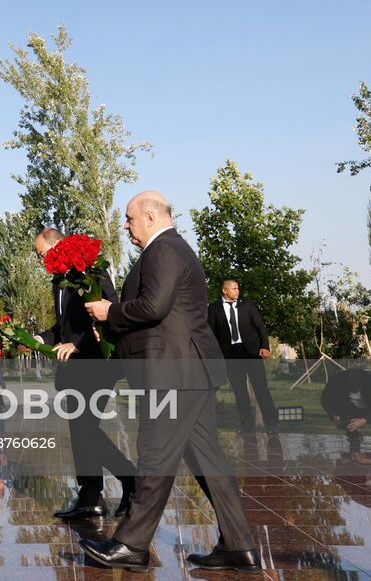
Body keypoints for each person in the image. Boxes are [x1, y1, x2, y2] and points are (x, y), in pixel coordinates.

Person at [81, 192, 259, 574]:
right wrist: (112, 328)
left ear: (149, 216)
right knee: (207, 460)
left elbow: (153, 307)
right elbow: (162, 316)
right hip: (188, 371)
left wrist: (110, 311)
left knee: (155, 455)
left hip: (175, 374)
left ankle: (131, 544)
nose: (126, 225)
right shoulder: (172, 249)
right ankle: (239, 546)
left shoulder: (163, 249)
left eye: (129, 218)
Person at [33, 228, 136, 521]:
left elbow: (109, 315)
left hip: (97, 365)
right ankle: (90, 496)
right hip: (73, 371)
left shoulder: (91, 273)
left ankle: (131, 480)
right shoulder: (58, 281)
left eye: (42, 254)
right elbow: (63, 326)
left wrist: (77, 345)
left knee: (87, 431)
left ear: (57, 246)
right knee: (80, 433)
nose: (41, 261)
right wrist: (42, 339)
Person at [208, 279, 279, 435]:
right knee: (240, 392)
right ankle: (247, 426)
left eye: (238, 288)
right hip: (230, 356)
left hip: (252, 353)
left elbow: (260, 325)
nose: (237, 291)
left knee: (262, 390)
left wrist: (265, 346)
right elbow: (211, 334)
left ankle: (272, 424)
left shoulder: (247, 304)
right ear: (224, 291)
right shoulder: (214, 308)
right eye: (234, 288)